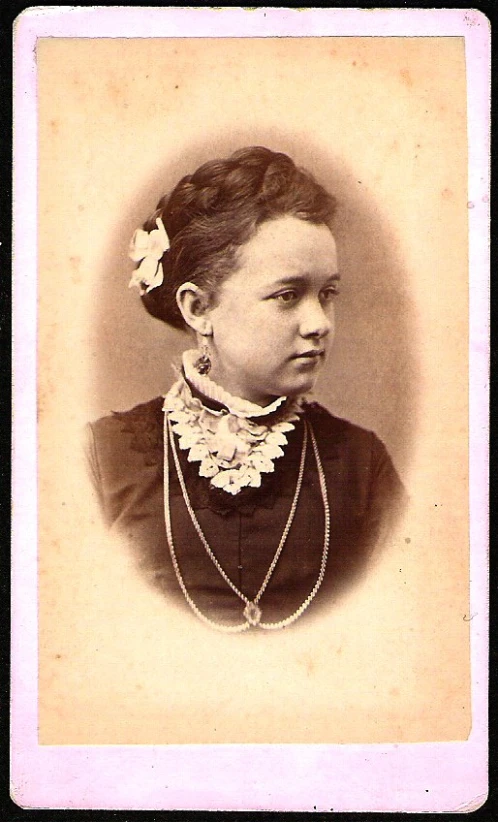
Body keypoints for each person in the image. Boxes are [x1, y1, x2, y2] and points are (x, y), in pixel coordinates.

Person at [86, 146, 405, 633]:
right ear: (198, 309)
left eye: (328, 294)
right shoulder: (103, 459)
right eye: (287, 295)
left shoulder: (361, 465)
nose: (319, 323)